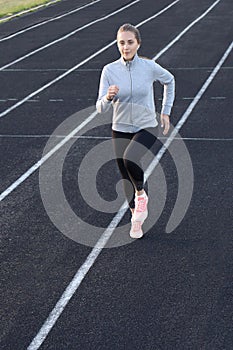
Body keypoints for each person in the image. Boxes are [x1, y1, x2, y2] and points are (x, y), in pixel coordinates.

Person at [96, 23, 175, 239]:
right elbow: (100, 108)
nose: (126, 46)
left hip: (147, 124)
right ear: (117, 44)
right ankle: (136, 219)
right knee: (125, 175)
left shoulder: (149, 67)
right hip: (120, 127)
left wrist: (165, 112)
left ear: (138, 44)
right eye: (122, 43)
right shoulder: (109, 71)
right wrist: (108, 97)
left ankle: (142, 195)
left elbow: (169, 80)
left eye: (130, 42)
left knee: (131, 158)